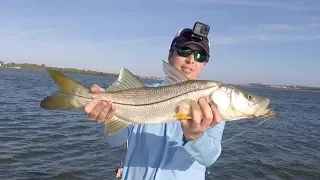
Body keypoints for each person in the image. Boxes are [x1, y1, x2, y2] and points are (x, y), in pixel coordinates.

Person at [83, 22, 226, 180]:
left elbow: (209, 158)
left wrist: (196, 136)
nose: (191, 59)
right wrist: (108, 117)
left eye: (200, 56)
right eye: (184, 51)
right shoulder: (139, 93)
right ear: (170, 54)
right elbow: (114, 141)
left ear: (204, 64)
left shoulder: (213, 104)